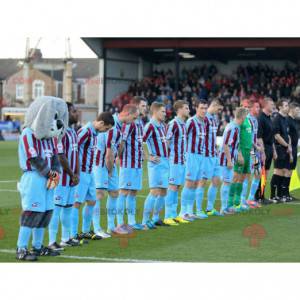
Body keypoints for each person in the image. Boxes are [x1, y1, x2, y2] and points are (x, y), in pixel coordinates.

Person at [16, 96, 68, 261]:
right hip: (33, 177)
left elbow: (54, 158)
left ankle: (37, 247)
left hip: (48, 178)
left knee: (46, 212)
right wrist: (50, 175)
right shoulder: (28, 133)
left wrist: (55, 176)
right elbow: (34, 158)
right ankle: (21, 248)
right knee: (32, 212)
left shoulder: (51, 138)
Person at [94, 104, 139, 235]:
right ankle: (97, 228)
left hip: (110, 163)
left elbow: (117, 148)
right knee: (99, 195)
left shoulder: (122, 127)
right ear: (126, 114)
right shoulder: (111, 125)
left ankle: (111, 226)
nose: (133, 121)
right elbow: (108, 152)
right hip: (101, 164)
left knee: (114, 193)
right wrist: (109, 169)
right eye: (133, 118)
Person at [70, 112, 114, 243]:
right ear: (101, 123)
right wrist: (75, 172)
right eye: (106, 128)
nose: (105, 131)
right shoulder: (85, 131)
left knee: (92, 201)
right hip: (81, 173)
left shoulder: (95, 133)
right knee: (76, 203)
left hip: (90, 172)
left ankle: (85, 231)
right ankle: (73, 234)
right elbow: (73, 150)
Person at [48, 103, 80, 251]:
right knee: (56, 209)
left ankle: (65, 239)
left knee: (67, 208)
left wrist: (77, 173)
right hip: (59, 177)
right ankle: (51, 241)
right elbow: (60, 156)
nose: (77, 113)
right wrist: (72, 174)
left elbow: (76, 155)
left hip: (71, 178)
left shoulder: (73, 132)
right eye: (74, 111)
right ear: (65, 113)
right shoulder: (59, 132)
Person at [118, 97, 148, 230]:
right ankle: (120, 223)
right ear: (135, 107)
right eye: (142, 106)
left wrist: (143, 155)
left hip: (137, 163)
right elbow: (122, 142)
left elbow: (139, 143)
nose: (145, 108)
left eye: (146, 106)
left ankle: (131, 221)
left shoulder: (140, 123)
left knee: (133, 192)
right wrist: (118, 158)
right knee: (123, 192)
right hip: (128, 163)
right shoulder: (129, 124)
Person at [179, 100, 208, 221]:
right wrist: (184, 155)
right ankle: (182, 212)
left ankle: (190, 211)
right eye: (201, 108)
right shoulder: (191, 122)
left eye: (205, 108)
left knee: (196, 183)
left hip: (200, 156)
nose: (204, 110)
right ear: (196, 108)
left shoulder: (204, 122)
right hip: (191, 156)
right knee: (189, 183)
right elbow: (182, 138)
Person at [142, 102, 169, 228]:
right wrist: (148, 157)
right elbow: (140, 142)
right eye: (163, 111)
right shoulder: (150, 126)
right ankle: (145, 220)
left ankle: (156, 217)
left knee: (163, 191)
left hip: (165, 161)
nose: (165, 113)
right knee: (154, 191)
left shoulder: (162, 125)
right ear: (155, 112)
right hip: (156, 163)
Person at [164, 100, 190, 225]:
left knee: (177, 187)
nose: (188, 110)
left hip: (182, 161)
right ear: (179, 109)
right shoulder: (173, 124)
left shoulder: (183, 124)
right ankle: (168, 216)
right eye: (186, 108)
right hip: (174, 161)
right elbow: (166, 142)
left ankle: (174, 215)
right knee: (172, 187)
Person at [219, 107, 248, 214]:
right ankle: (223, 208)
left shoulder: (237, 127)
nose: (246, 119)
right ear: (242, 116)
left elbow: (235, 145)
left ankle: (226, 207)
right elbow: (225, 145)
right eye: (245, 116)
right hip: (225, 159)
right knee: (226, 182)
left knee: (228, 182)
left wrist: (239, 155)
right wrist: (229, 160)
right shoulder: (231, 128)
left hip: (231, 158)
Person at [197, 99, 224, 216]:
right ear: (214, 105)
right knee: (202, 182)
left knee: (216, 180)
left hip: (214, 154)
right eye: (219, 109)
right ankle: (198, 210)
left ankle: (209, 208)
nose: (219, 111)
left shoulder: (214, 119)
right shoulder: (204, 118)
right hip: (205, 156)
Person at [227, 99, 253, 212]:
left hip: (248, 153)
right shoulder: (238, 122)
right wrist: (239, 153)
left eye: (247, 106)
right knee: (236, 177)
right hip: (241, 152)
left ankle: (237, 204)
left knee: (242, 178)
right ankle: (229, 204)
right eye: (243, 106)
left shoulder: (248, 120)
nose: (246, 108)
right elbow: (236, 139)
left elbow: (249, 138)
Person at [240, 100, 264, 208]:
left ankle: (250, 198)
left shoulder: (255, 120)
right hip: (249, 150)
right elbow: (247, 138)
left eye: (259, 107)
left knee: (257, 174)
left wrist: (260, 148)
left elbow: (254, 136)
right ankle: (242, 200)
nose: (258, 109)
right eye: (256, 107)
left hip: (254, 151)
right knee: (247, 175)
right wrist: (256, 146)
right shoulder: (245, 120)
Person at [270, 99, 291, 203]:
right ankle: (272, 196)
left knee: (283, 171)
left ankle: (279, 195)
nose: (288, 107)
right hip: (279, 148)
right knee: (278, 171)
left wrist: (289, 146)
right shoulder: (276, 119)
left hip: (286, 149)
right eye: (286, 105)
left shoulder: (285, 119)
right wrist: (287, 145)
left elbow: (287, 135)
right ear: (280, 107)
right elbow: (277, 136)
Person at [257, 97, 277, 204]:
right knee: (262, 173)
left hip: (269, 148)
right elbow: (259, 137)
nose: (273, 106)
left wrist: (273, 150)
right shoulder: (261, 118)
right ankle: (259, 196)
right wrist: (263, 152)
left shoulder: (269, 118)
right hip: (263, 148)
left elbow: (272, 136)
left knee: (266, 173)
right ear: (265, 105)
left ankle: (262, 196)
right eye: (271, 104)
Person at [286, 102, 300, 201]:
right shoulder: (287, 120)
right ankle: (283, 194)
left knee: (290, 171)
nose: (299, 112)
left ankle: (286, 194)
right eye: (297, 110)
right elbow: (287, 136)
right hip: (288, 149)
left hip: (294, 148)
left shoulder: (295, 121)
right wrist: (289, 149)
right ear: (292, 109)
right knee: (286, 171)